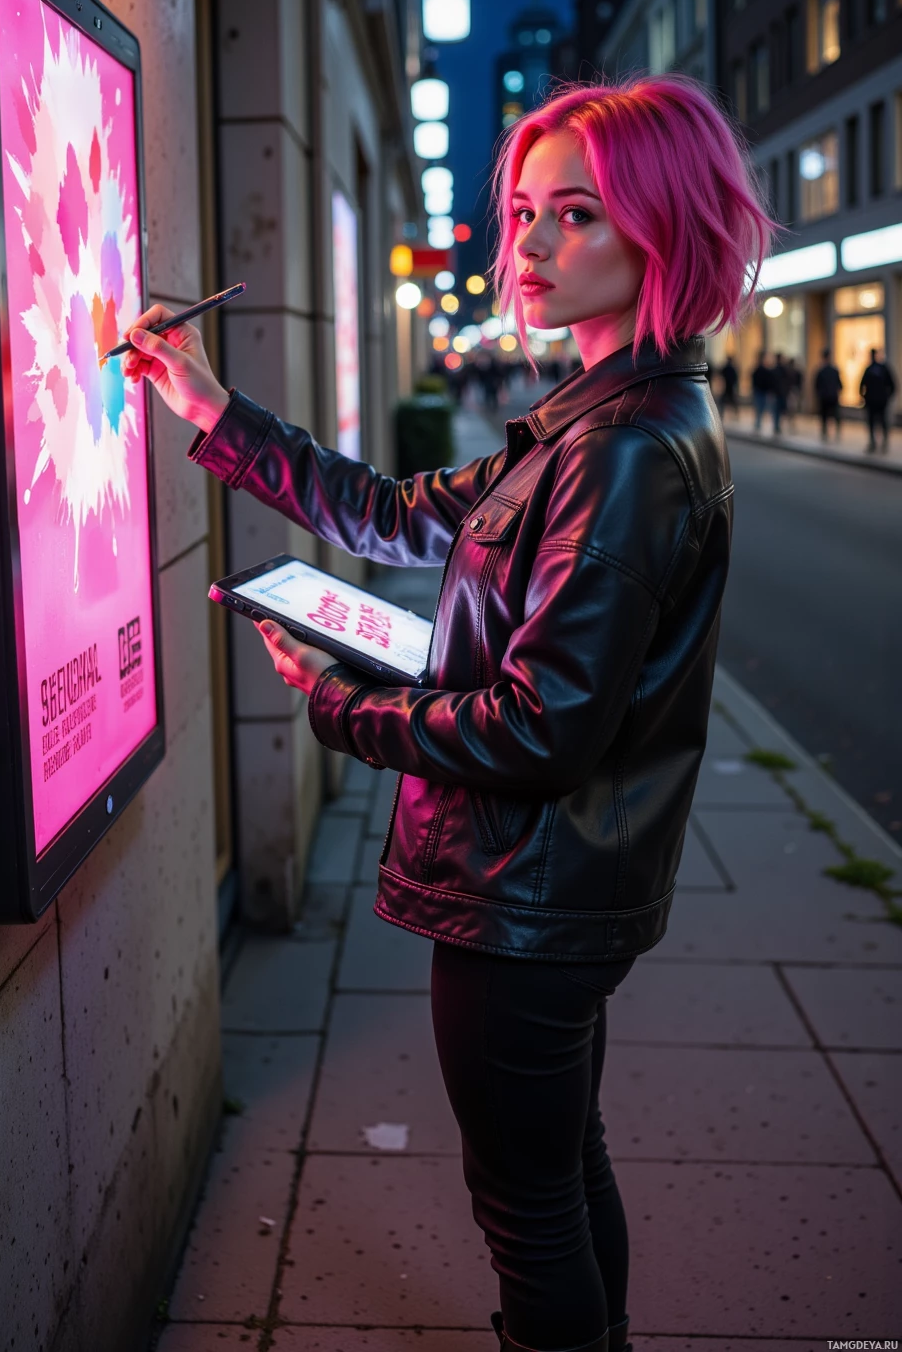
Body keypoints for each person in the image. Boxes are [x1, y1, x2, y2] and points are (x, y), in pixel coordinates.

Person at [121, 75, 775, 1352]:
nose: (528, 244)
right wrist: (211, 409)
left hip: (525, 894)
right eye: (524, 211)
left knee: (528, 1206)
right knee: (561, 1170)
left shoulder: (621, 449)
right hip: (559, 885)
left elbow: (540, 728)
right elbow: (391, 511)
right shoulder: (600, 420)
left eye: (576, 213)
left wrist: (343, 704)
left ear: (667, 227)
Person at [859, 346, 896, 453]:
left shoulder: (872, 369)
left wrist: (864, 397)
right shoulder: (881, 369)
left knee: (875, 422)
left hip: (875, 401)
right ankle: (879, 443)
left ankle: (877, 443)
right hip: (878, 401)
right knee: (880, 422)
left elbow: (861, 386)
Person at [814, 347, 843, 440]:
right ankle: (834, 432)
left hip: (825, 396)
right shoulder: (833, 370)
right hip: (832, 396)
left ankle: (825, 432)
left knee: (825, 415)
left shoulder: (821, 371)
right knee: (834, 415)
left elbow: (816, 385)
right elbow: (840, 384)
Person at [751, 350, 772, 430]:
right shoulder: (761, 369)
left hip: (760, 391)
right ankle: (758, 423)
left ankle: (758, 423)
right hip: (760, 391)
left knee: (760, 408)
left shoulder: (759, 369)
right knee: (760, 408)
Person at [770, 351, 790, 435]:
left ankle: (776, 425)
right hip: (781, 393)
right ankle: (777, 426)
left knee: (776, 411)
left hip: (778, 393)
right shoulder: (782, 369)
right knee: (780, 411)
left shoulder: (775, 369)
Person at [719, 354, 739, 420]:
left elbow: (721, 374)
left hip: (728, 386)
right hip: (730, 387)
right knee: (732, 402)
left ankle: (721, 414)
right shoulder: (732, 368)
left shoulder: (727, 367)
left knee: (724, 401)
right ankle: (736, 414)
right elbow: (735, 378)